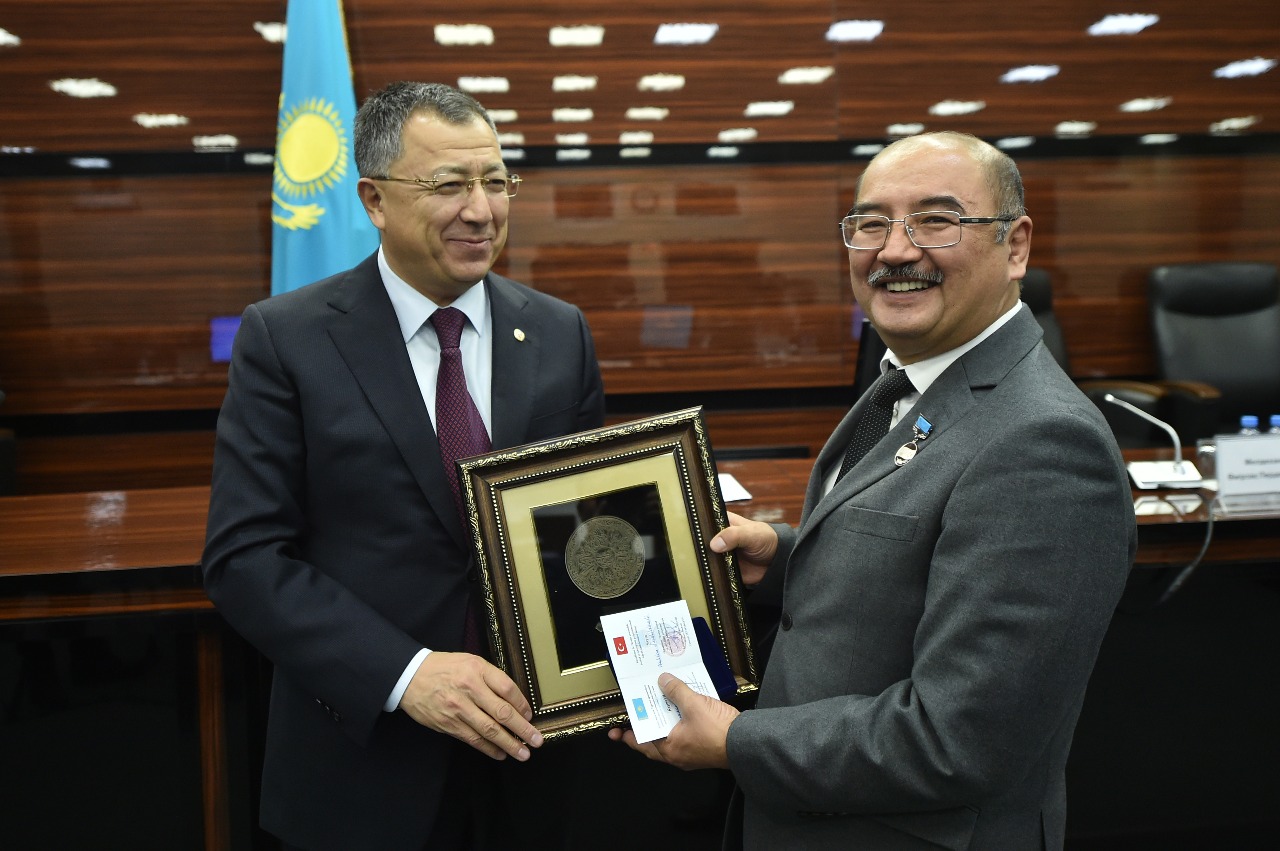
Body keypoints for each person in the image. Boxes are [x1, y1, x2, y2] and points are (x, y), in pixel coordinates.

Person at [611, 130, 1136, 850]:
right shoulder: (907, 380)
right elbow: (928, 547)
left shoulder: (1043, 443)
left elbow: (957, 739)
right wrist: (789, 556)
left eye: (936, 219)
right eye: (871, 223)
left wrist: (738, 740)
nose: (894, 250)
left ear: (1015, 246)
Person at [202, 81, 604, 850]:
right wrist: (407, 672)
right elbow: (244, 558)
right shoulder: (286, 339)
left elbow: (581, 528)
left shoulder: (558, 332)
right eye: (449, 184)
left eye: (495, 181)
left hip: (531, 760)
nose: (481, 210)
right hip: (363, 763)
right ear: (374, 199)